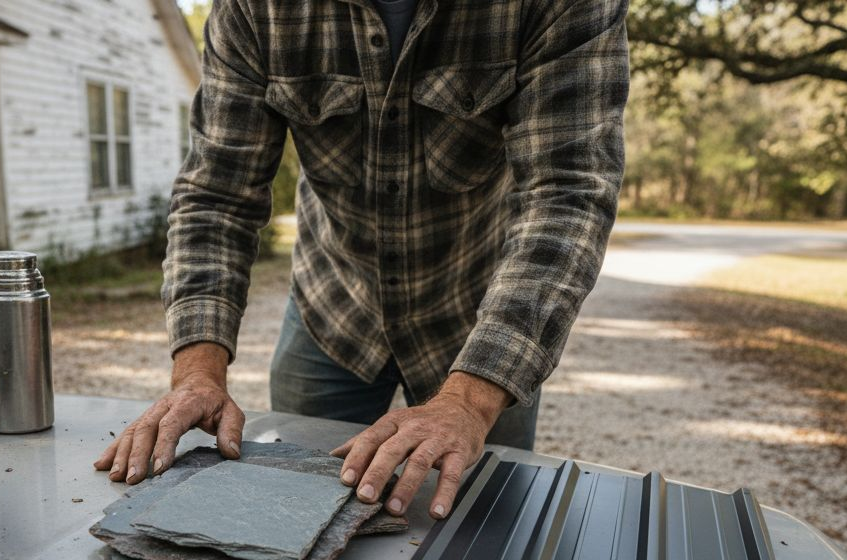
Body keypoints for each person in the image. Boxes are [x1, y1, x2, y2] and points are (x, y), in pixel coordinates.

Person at [96, 0, 628, 520]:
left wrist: (470, 402)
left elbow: (568, 195)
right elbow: (217, 196)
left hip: (480, 322)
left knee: (478, 527)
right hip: (331, 315)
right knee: (293, 512)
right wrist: (197, 373)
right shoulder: (254, 9)